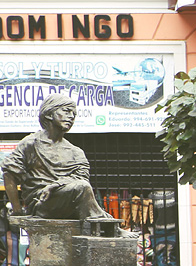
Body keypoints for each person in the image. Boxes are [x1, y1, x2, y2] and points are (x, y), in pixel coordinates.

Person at [2, 94, 115, 227]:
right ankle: (107, 228)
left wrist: (55, 185)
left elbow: (82, 179)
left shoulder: (75, 152)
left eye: (74, 114)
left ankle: (105, 227)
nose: (71, 116)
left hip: (68, 202)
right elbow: (9, 173)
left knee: (83, 189)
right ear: (49, 113)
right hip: (42, 204)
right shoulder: (31, 144)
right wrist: (17, 210)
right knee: (82, 188)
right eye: (66, 111)